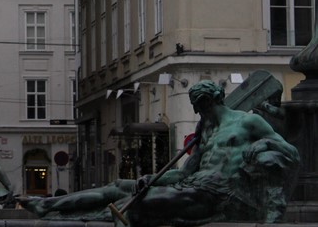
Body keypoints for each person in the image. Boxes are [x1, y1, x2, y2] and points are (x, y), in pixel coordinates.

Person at [19, 81, 300, 226]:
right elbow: (184, 172)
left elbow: (291, 152)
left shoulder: (248, 122)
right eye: (199, 109)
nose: (203, 113)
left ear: (216, 99)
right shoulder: (205, 131)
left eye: (205, 106)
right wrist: (151, 178)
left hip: (218, 195)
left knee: (134, 205)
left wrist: (262, 146)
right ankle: (48, 205)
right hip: (193, 185)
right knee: (120, 187)